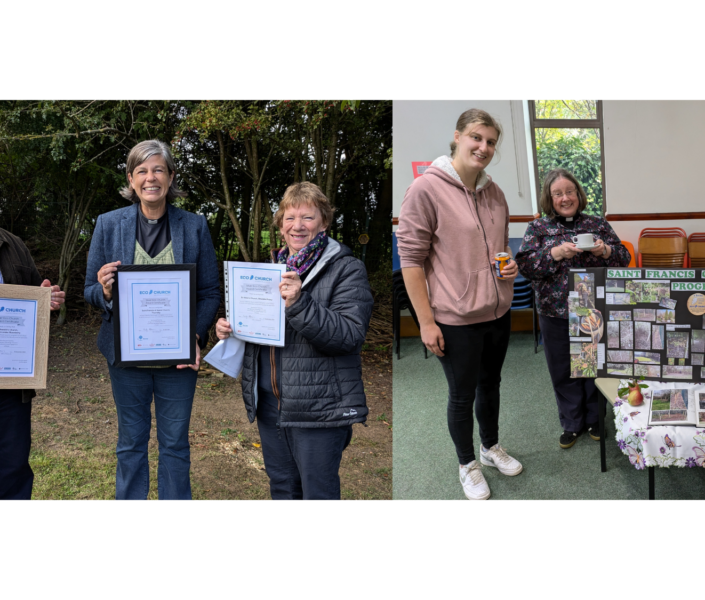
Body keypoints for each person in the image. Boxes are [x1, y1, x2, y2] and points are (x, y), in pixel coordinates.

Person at [214, 182, 373, 500]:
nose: (297, 226)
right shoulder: (270, 270)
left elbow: (349, 335)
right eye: (289, 218)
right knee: (283, 488)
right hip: (270, 405)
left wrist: (300, 302)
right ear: (280, 225)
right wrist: (233, 329)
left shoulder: (346, 269)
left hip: (318, 408)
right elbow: (262, 331)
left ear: (324, 222)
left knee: (318, 492)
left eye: (307, 217)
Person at [396, 108, 521, 501]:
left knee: (491, 385)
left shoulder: (495, 192)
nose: (483, 147)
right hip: (454, 318)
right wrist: (426, 322)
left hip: (497, 311)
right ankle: (466, 463)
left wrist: (508, 265)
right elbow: (411, 261)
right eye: (476, 138)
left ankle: (489, 447)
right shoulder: (426, 189)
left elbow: (497, 249)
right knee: (462, 394)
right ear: (458, 137)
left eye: (490, 142)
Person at [84, 140, 220, 500]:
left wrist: (194, 335)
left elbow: (209, 292)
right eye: (142, 171)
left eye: (158, 169)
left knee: (175, 443)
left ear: (171, 176)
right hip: (126, 359)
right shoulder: (109, 224)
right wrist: (105, 291)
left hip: (177, 359)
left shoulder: (194, 226)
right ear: (131, 179)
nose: (150, 178)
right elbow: (89, 290)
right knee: (131, 442)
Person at [516, 168, 630, 449]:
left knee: (591, 367)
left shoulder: (597, 224)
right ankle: (571, 423)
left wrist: (603, 251)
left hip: (590, 307)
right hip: (553, 309)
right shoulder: (538, 228)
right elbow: (526, 267)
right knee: (562, 369)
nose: (565, 198)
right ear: (549, 198)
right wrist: (555, 253)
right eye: (558, 194)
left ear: (579, 194)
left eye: (570, 192)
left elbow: (623, 258)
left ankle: (594, 419)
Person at [0, 228, 65, 500]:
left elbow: (38, 297)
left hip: (11, 384)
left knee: (12, 470)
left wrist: (49, 300)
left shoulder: (12, 245)